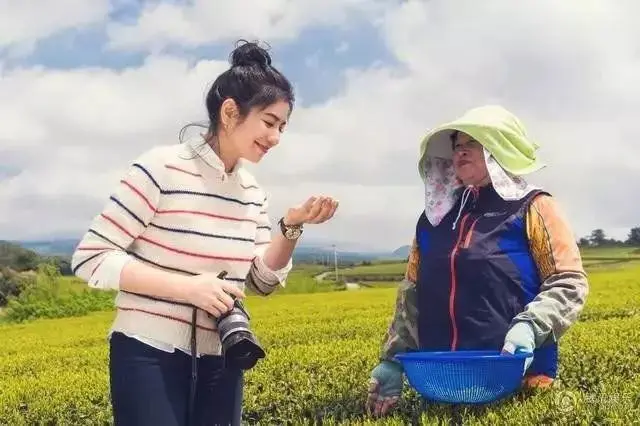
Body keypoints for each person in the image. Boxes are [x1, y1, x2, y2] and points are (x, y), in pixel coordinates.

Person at [70, 40, 339, 426]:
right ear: (230, 112)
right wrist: (188, 288)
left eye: (282, 126)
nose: (276, 137)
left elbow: (260, 282)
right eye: (268, 122)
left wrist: (291, 227)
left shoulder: (251, 192)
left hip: (223, 354)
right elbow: (91, 257)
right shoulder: (160, 167)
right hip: (147, 352)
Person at [365, 105, 589, 416]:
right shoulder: (433, 220)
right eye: (457, 145)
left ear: (501, 150)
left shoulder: (535, 207)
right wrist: (393, 359)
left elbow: (568, 281)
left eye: (473, 143)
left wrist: (530, 327)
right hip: (442, 382)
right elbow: (412, 293)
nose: (460, 152)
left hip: (518, 378)